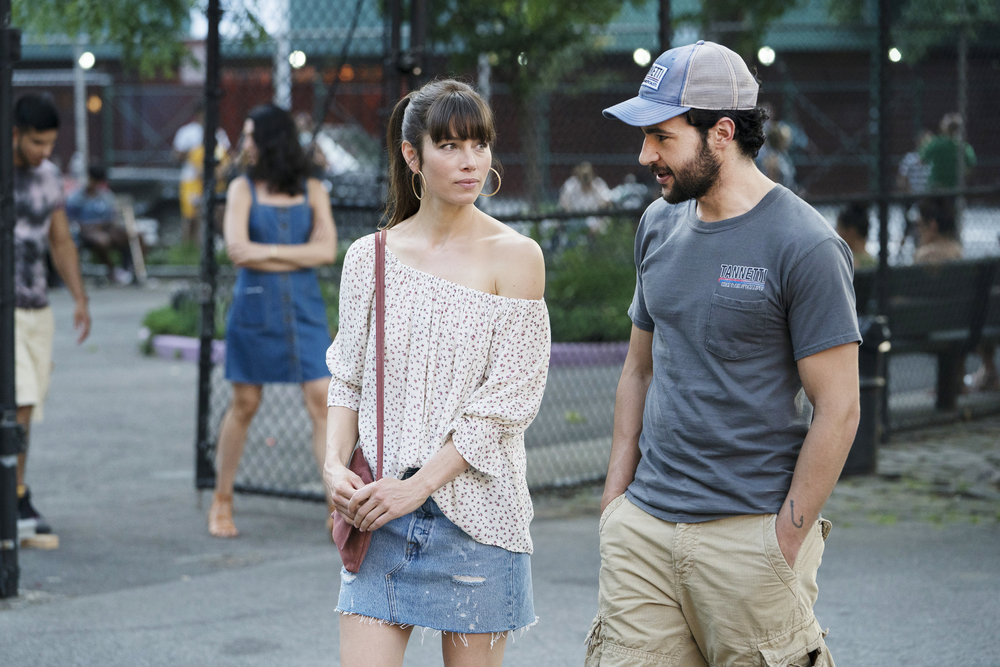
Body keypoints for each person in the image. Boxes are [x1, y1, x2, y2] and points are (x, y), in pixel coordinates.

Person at [585, 41, 861, 666]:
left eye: (661, 136)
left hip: (749, 535)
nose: (645, 155)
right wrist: (615, 505)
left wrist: (783, 540)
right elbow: (638, 370)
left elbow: (840, 409)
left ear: (723, 133)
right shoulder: (657, 224)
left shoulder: (806, 245)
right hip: (643, 533)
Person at [324, 79, 550, 666]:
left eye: (480, 144)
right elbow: (347, 377)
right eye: (450, 145)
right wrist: (332, 466)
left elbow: (508, 404)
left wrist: (418, 487)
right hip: (378, 512)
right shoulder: (369, 257)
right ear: (412, 155)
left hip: (477, 521)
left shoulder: (517, 256)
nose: (470, 160)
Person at [208, 104, 338, 538]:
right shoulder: (241, 188)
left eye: (249, 135)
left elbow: (327, 251)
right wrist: (298, 254)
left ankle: (335, 507)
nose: (244, 144)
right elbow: (237, 250)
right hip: (255, 309)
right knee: (245, 402)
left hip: (304, 309)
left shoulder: (312, 187)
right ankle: (221, 500)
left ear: (270, 139)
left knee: (322, 399)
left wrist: (265, 252)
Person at [12, 93, 92, 538]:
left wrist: (80, 297)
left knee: (28, 406)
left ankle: (15, 491)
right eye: (36, 142)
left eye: (50, 143)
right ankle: (15, 495)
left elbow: (60, 240)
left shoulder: (48, 177)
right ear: (14, 134)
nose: (44, 152)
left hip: (37, 308)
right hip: (5, 311)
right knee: (20, 400)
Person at [65, 164, 137, 284]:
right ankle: (112, 271)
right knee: (102, 241)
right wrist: (90, 228)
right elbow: (71, 221)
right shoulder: (76, 198)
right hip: (86, 233)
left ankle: (128, 271)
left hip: (106, 228)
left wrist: (108, 226)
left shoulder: (106, 195)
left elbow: (112, 217)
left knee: (132, 236)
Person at [172, 104, 232, 245]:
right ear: (198, 114)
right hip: (192, 180)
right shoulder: (187, 132)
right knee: (191, 217)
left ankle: (218, 245)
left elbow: (227, 154)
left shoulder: (218, 132)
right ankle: (188, 248)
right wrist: (191, 153)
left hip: (215, 180)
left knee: (218, 213)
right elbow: (176, 156)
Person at [920, 112, 976, 192]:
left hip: (936, 187)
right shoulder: (964, 147)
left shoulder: (936, 143)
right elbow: (970, 167)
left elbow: (922, 160)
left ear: (944, 127)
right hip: (955, 188)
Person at [913, 197, 962, 265]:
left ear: (932, 226)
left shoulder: (923, 254)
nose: (918, 231)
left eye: (920, 226)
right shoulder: (957, 249)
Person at [836, 202, 877, 270]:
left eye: (839, 229)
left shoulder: (844, 262)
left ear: (851, 232)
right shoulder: (876, 264)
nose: (837, 234)